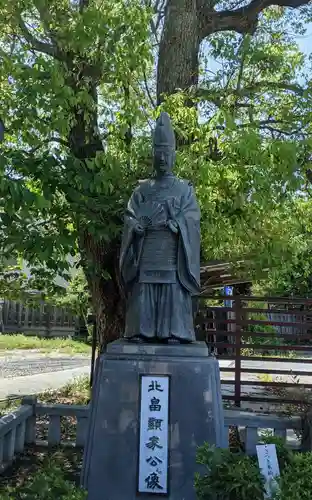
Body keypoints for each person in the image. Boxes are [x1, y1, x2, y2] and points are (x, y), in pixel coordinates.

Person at [119, 112, 200, 343]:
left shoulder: (185, 190)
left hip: (172, 255)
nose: (162, 159)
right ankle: (139, 331)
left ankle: (174, 332)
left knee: (173, 291)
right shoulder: (141, 191)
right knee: (143, 292)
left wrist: (180, 224)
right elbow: (130, 216)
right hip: (146, 253)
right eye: (158, 154)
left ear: (173, 156)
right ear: (152, 156)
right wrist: (136, 227)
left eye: (166, 154)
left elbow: (192, 218)